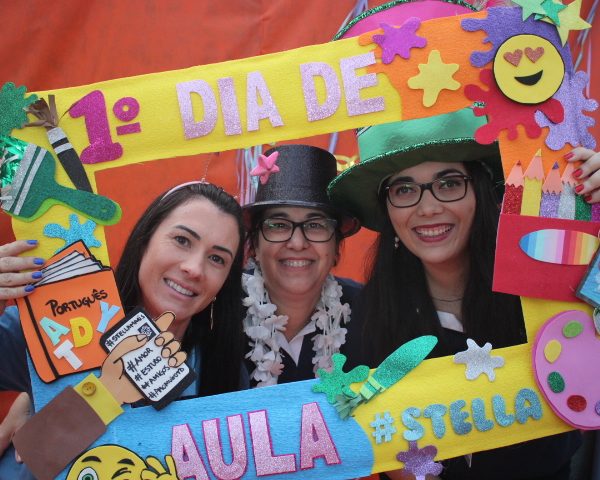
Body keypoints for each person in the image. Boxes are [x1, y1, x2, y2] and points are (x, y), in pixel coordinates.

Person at [328, 108, 598, 479]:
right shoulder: (368, 320)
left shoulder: (545, 278)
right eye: (404, 189)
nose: (428, 208)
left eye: (449, 183)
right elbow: (389, 452)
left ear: (480, 191)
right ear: (387, 210)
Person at [0, 181, 247, 476]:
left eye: (217, 259)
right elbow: (34, 456)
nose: (194, 268)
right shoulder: (56, 325)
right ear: (145, 241)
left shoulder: (224, 372)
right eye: (182, 240)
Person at [241, 144, 364, 386]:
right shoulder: (215, 315)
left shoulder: (370, 313)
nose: (297, 243)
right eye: (278, 225)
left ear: (336, 247)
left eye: (315, 225)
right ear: (254, 245)